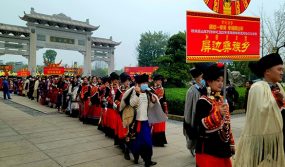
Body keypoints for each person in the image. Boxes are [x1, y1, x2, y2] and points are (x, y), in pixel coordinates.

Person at [234, 53, 285, 167]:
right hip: (261, 137)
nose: (282, 72)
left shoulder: (279, 86)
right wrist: (277, 101)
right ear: (267, 71)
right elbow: (262, 110)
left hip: (278, 135)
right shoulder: (257, 87)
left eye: (282, 69)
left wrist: (282, 101)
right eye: (279, 69)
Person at [122, 73, 167, 167]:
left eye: (146, 82)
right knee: (135, 141)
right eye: (144, 83)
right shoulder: (134, 92)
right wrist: (137, 94)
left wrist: (153, 101)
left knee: (147, 141)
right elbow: (131, 104)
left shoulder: (148, 93)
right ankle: (134, 154)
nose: (146, 84)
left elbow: (149, 107)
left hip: (145, 122)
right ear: (139, 84)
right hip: (135, 122)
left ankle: (147, 160)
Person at [195, 63, 235, 167]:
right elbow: (200, 125)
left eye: (222, 81)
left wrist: (231, 142)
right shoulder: (203, 101)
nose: (221, 84)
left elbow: (227, 123)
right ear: (209, 81)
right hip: (208, 148)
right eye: (218, 80)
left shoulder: (223, 99)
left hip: (223, 146)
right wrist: (218, 114)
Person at [183, 67, 207, 156]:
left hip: (203, 115)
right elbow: (188, 107)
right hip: (194, 115)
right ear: (196, 78)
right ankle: (192, 148)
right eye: (201, 77)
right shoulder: (191, 91)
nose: (203, 79)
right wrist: (188, 120)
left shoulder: (205, 89)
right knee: (193, 132)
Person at [151, 74, 168, 147]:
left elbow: (164, 100)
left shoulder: (162, 89)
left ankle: (161, 141)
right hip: (154, 108)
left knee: (161, 125)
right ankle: (155, 141)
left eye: (160, 80)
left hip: (161, 109)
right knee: (156, 125)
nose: (159, 82)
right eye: (158, 80)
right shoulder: (151, 89)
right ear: (155, 81)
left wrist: (165, 110)